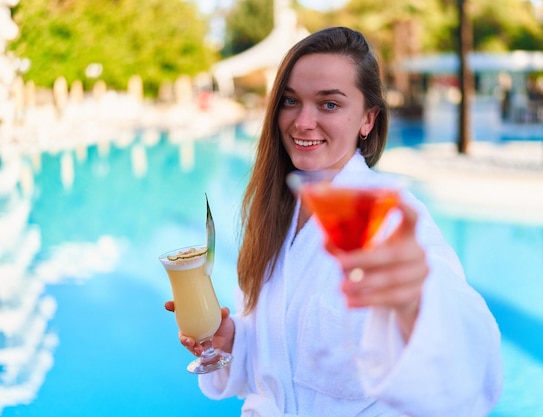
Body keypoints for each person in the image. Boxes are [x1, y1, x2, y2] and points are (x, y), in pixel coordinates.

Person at [165, 26, 502, 416]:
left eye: (329, 104)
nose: (302, 122)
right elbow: (278, 362)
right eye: (291, 101)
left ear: (368, 119)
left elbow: (470, 371)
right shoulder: (276, 214)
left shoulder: (387, 221)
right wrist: (233, 341)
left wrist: (416, 302)